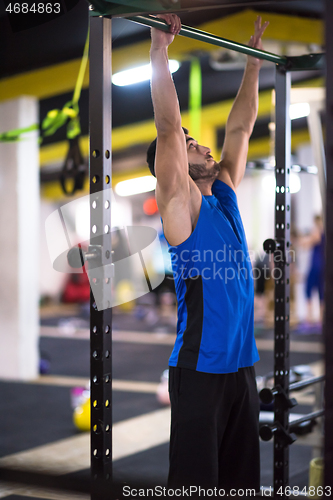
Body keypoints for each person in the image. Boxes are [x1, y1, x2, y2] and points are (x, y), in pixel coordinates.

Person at [146, 14, 268, 493]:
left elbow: (239, 128)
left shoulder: (225, 193)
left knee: (240, 484)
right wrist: (160, 54)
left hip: (241, 367)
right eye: (191, 146)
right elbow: (169, 127)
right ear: (174, 164)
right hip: (199, 371)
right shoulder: (182, 206)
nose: (200, 144)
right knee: (197, 487)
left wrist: (254, 63)